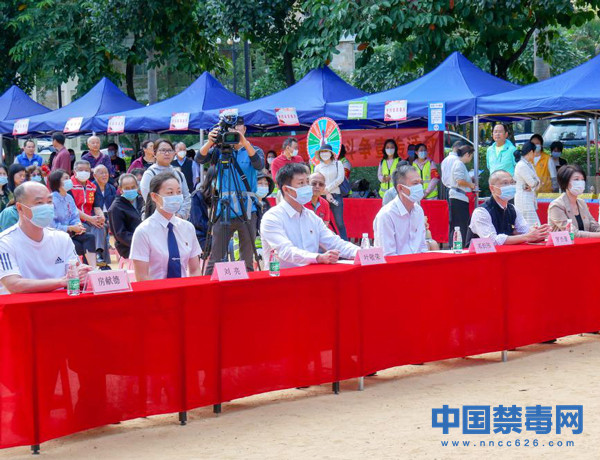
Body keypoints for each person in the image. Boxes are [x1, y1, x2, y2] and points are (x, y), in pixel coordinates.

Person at [195, 117, 264, 274]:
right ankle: (208, 284)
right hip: (224, 207)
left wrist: (244, 143)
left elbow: (259, 165)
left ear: (244, 130)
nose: (234, 133)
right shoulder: (220, 150)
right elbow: (199, 159)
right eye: (231, 130)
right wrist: (210, 142)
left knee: (247, 257)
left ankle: (248, 285)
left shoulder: (254, 150)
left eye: (238, 129)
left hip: (247, 208)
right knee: (216, 256)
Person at [260, 163, 358, 269]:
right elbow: (285, 251)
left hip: (311, 274)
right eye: (301, 183)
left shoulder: (312, 217)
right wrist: (318, 257)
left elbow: (334, 242)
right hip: (282, 276)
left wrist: (362, 252)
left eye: (307, 182)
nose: (307, 187)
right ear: (286, 189)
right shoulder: (272, 218)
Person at [0, 182, 92, 294]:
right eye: (39, 203)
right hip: (21, 304)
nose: (47, 207)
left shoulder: (62, 238)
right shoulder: (4, 242)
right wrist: (61, 282)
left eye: (49, 202)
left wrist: (83, 273)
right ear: (20, 208)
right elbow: (14, 285)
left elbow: (76, 273)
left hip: (58, 303)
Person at [130, 172, 202, 280]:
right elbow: (142, 277)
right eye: (170, 193)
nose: (176, 197)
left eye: (178, 192)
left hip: (184, 288)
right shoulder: (143, 231)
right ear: (154, 196)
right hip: (156, 289)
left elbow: (195, 270)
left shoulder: (188, 228)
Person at [466, 170, 550, 246]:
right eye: (505, 183)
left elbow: (524, 230)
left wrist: (537, 232)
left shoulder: (512, 209)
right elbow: (493, 241)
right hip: (479, 256)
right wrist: (526, 236)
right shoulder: (481, 212)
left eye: (512, 182)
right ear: (492, 188)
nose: (510, 186)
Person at [373, 165, 428, 255]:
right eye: (415, 183)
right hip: (396, 263)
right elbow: (388, 255)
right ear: (400, 188)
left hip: (417, 261)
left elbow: (422, 247)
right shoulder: (386, 215)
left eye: (420, 183)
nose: (419, 187)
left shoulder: (418, 211)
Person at [48, 169, 97, 268]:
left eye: (69, 178)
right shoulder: (51, 200)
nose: (69, 180)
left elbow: (75, 215)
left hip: (72, 233)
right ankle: (81, 268)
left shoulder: (69, 197)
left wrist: (78, 225)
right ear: (57, 182)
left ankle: (93, 269)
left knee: (90, 237)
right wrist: (70, 228)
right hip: (58, 235)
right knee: (79, 246)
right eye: (66, 178)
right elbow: (51, 225)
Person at [140, 139, 191, 220]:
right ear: (155, 153)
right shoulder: (150, 174)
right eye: (163, 150)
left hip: (178, 220)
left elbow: (186, 197)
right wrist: (167, 217)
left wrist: (180, 215)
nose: (167, 153)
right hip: (156, 221)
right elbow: (149, 201)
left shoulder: (179, 174)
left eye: (170, 150)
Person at [71, 160, 108, 267]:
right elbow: (72, 209)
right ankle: (92, 259)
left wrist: (101, 217)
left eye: (86, 170)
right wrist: (90, 219)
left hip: (88, 219)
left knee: (101, 225)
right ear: (74, 171)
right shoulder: (70, 186)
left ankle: (98, 254)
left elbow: (96, 206)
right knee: (89, 227)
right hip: (75, 220)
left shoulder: (92, 186)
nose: (84, 172)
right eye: (80, 170)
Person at [548, 164, 600, 238]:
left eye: (582, 180)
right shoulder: (556, 205)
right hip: (563, 245)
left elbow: (593, 226)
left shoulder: (582, 203)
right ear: (565, 182)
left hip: (584, 244)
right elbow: (572, 234)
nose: (581, 183)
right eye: (576, 179)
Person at [108, 173, 145, 270]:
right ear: (120, 189)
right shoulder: (116, 208)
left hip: (146, 242)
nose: (130, 190)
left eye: (133, 187)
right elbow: (120, 234)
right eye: (127, 188)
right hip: (129, 247)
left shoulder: (142, 201)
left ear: (137, 187)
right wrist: (140, 242)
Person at [315, 144, 348, 240]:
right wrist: (326, 193)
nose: (324, 154)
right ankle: (322, 243)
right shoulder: (318, 167)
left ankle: (345, 243)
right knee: (321, 222)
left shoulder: (338, 164)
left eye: (326, 151)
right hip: (321, 197)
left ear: (331, 153)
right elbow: (316, 182)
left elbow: (340, 179)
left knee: (339, 222)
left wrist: (328, 190)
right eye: (322, 152)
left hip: (336, 195)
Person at [449, 145, 476, 242]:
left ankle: (458, 243)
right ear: (467, 154)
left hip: (459, 196)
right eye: (471, 155)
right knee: (460, 223)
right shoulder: (459, 164)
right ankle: (460, 243)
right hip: (458, 197)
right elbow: (459, 181)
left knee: (459, 223)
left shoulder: (459, 164)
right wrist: (471, 185)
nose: (471, 158)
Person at [514, 141, 541, 227]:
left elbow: (537, 181)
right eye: (535, 152)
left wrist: (535, 183)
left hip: (529, 199)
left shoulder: (529, 165)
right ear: (531, 152)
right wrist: (535, 183)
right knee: (531, 226)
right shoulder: (521, 165)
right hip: (523, 200)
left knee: (532, 225)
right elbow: (532, 183)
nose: (535, 155)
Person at [190, 166, 217, 252]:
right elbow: (197, 222)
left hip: (219, 235)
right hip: (201, 236)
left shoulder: (225, 197)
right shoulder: (197, 196)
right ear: (211, 179)